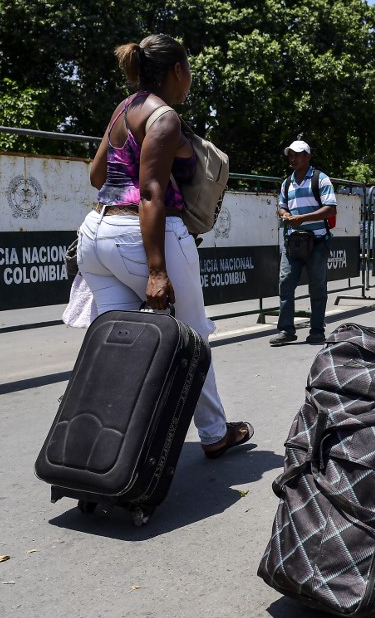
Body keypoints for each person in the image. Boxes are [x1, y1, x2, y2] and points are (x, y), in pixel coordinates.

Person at [81, 33, 253, 459]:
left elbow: (97, 175)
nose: (190, 78)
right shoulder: (165, 117)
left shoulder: (124, 109)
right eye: (189, 70)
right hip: (142, 240)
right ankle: (214, 433)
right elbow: (153, 193)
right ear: (178, 70)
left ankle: (105, 442)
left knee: (117, 345)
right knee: (194, 336)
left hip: (95, 235)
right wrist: (157, 271)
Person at [270, 140, 338, 346]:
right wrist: (285, 215)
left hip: (317, 241)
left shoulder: (321, 179)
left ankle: (317, 330)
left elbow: (331, 209)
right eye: (290, 154)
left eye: (298, 154)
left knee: (317, 286)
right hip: (293, 242)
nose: (293, 158)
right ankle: (286, 330)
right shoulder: (287, 183)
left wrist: (302, 218)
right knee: (285, 284)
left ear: (308, 156)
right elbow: (281, 206)